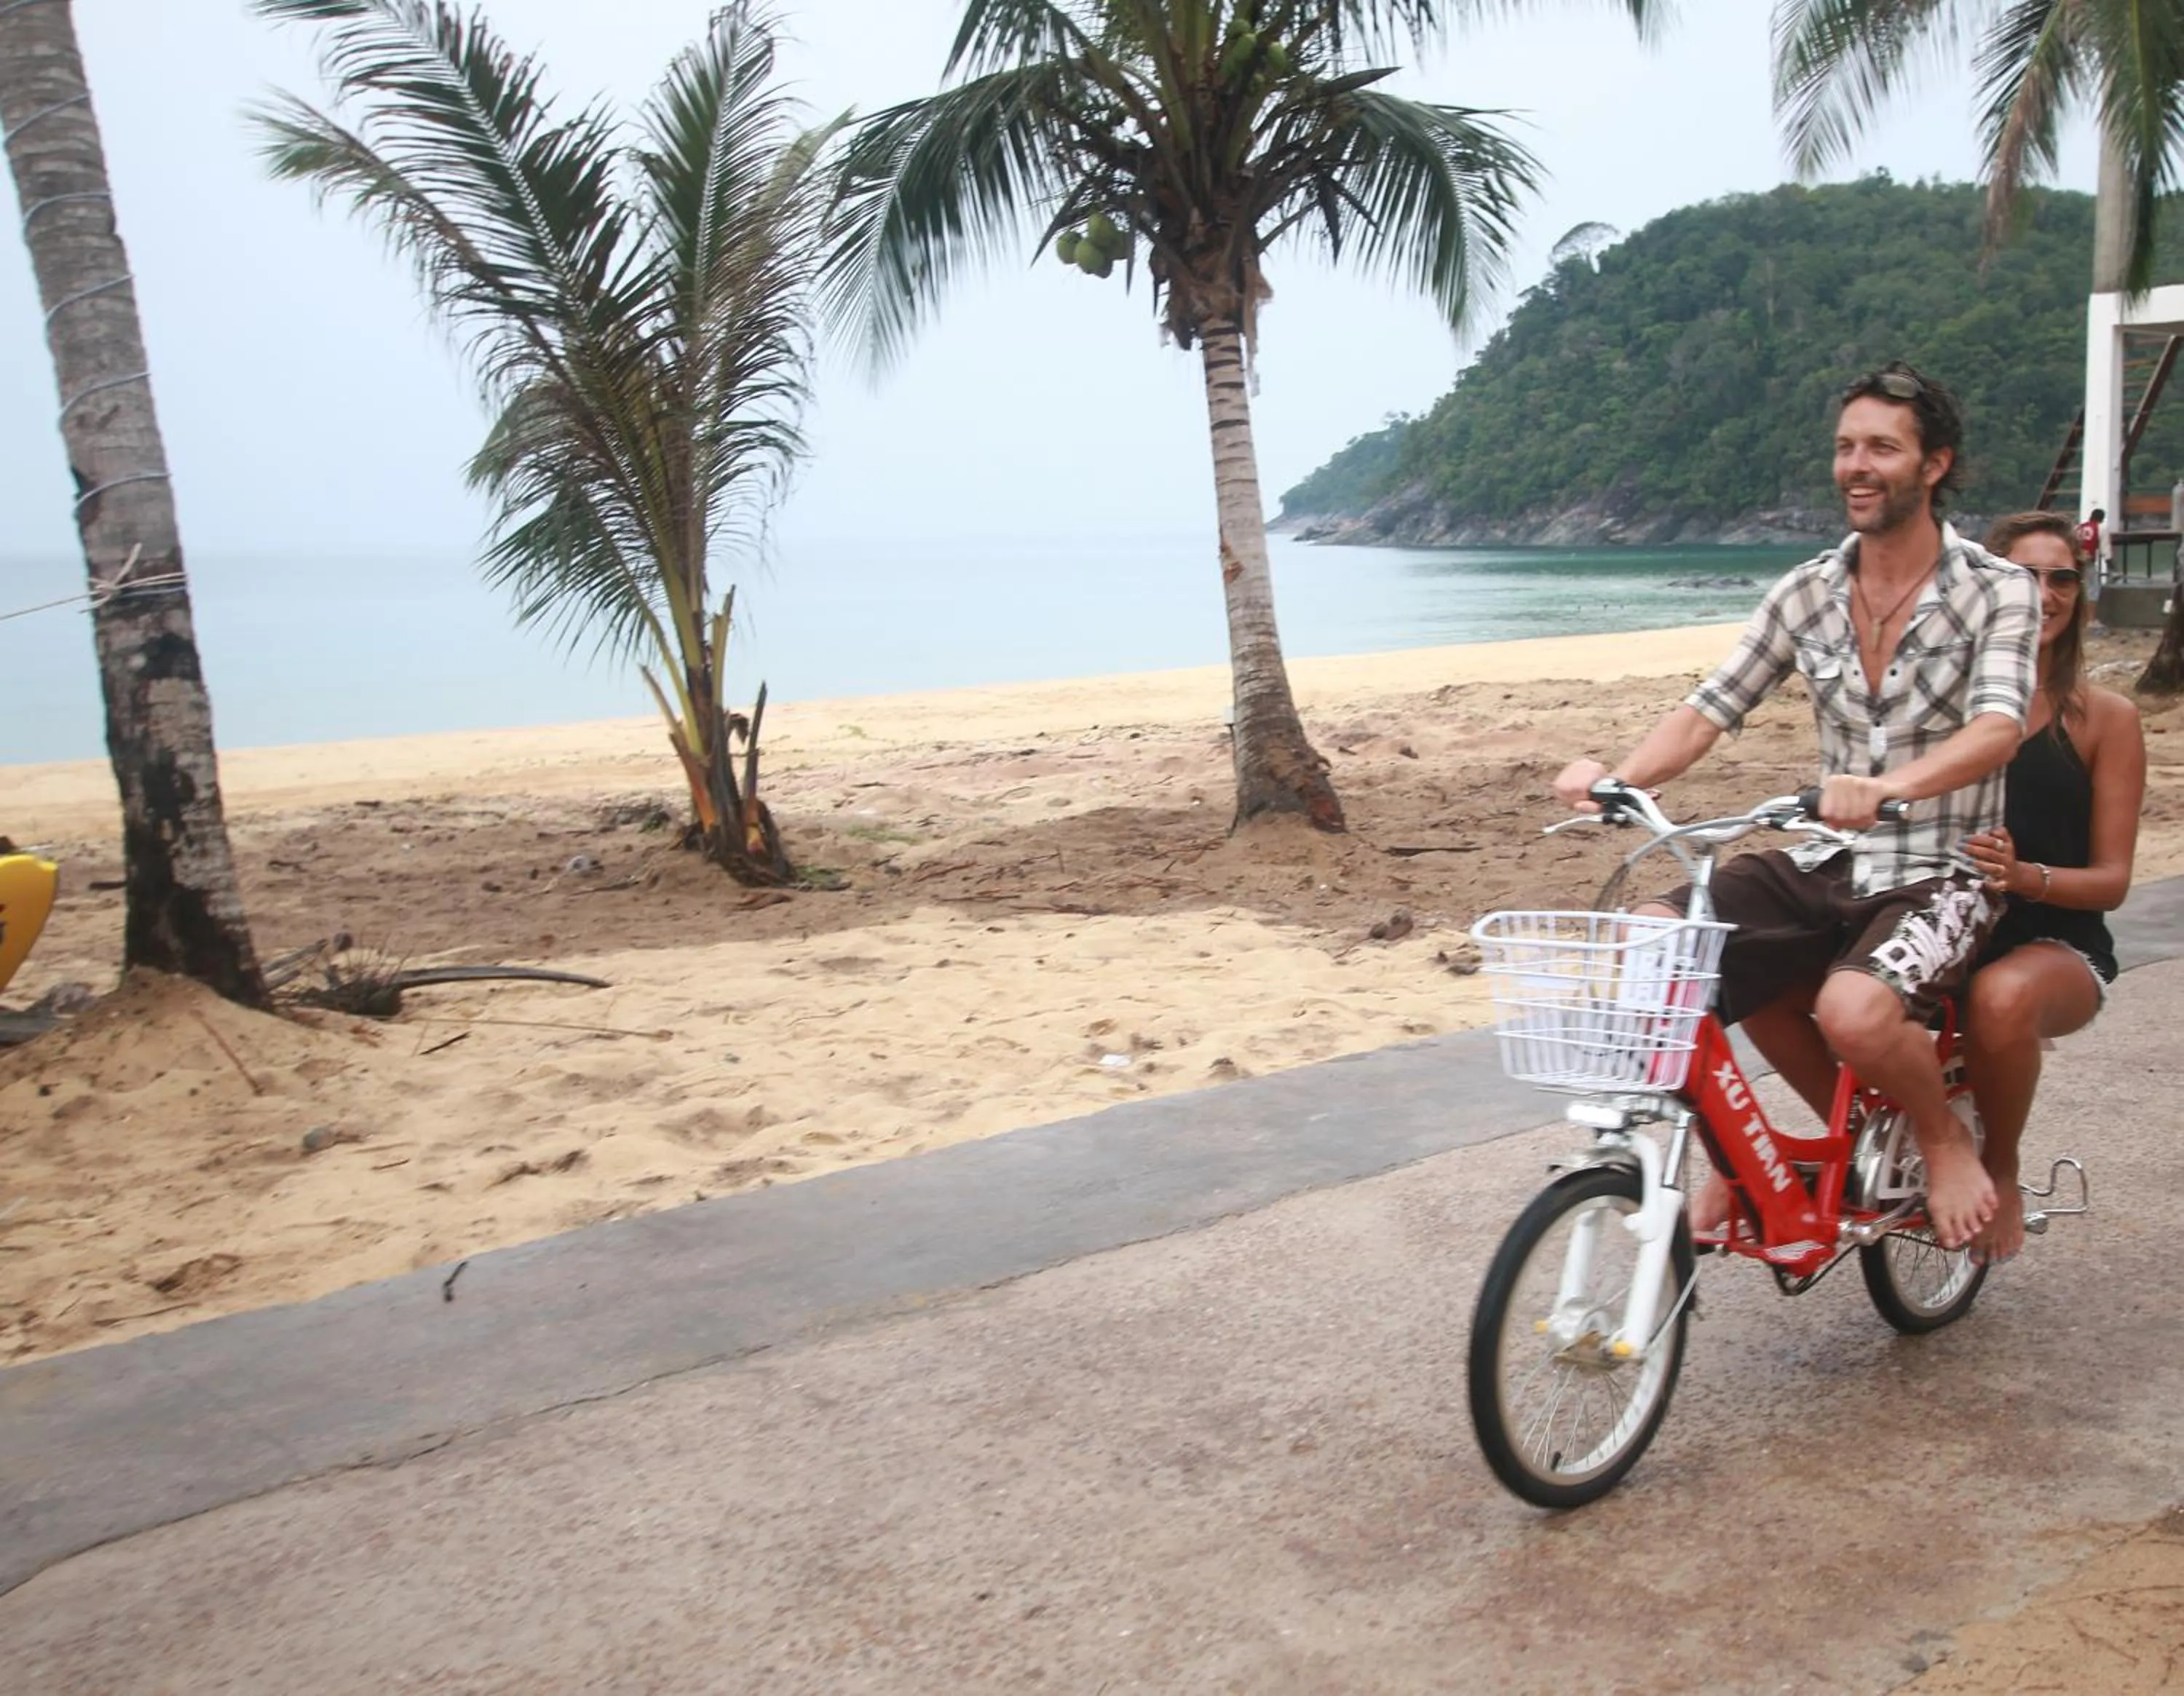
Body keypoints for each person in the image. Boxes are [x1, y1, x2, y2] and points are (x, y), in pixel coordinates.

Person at [1554, 362, 2041, 1249]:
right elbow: (1712, 705)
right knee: (1652, 947)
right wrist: (1622, 777)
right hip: (1822, 857)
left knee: (1850, 1012)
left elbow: (1999, 727)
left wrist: (1890, 787)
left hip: (1943, 865)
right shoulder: (1806, 589)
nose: (1857, 464)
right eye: (1846, 446)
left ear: (1934, 465)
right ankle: (1746, 1161)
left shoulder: (1998, 587)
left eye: (1882, 447)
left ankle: (1941, 1140)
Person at [1958, 513, 2145, 1261]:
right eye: (2023, 575)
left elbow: (2113, 882)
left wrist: (2023, 876)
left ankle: (2001, 1168)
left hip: (2057, 942)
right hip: (1946, 923)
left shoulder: (2106, 718)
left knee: (2000, 997)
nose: (2045, 592)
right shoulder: (1951, 706)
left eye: (2062, 575)